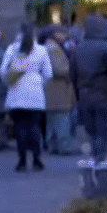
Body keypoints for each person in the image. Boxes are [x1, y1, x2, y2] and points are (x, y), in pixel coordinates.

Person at [71, 14, 107, 163]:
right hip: (104, 95)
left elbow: (73, 75)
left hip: (85, 95)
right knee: (104, 131)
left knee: (92, 131)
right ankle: (100, 162)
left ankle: (94, 158)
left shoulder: (79, 49)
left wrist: (78, 95)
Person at [0, 23, 52, 172]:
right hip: (35, 94)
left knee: (20, 127)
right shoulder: (41, 50)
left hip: (16, 92)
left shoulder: (12, 49)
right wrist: (39, 83)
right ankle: (36, 159)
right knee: (34, 127)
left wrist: (9, 82)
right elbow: (48, 73)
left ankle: (22, 161)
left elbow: (3, 70)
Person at [39, 25, 77, 155]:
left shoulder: (47, 47)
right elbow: (59, 69)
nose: (64, 36)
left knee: (52, 120)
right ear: (54, 34)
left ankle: (53, 145)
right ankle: (63, 147)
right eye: (62, 33)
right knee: (61, 119)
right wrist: (71, 71)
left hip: (51, 90)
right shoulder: (53, 49)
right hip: (58, 90)